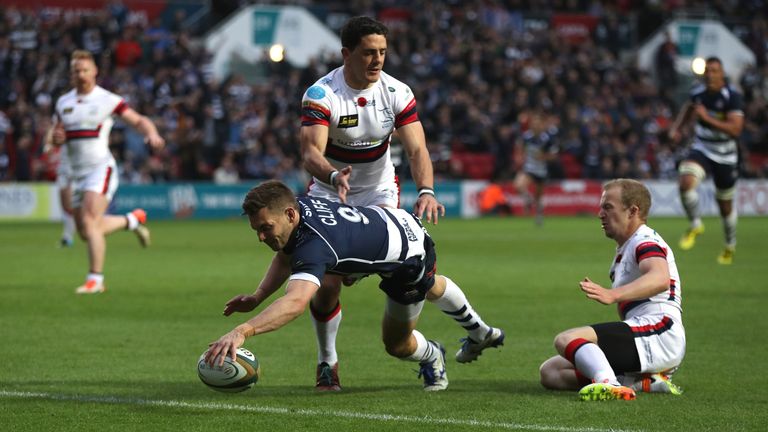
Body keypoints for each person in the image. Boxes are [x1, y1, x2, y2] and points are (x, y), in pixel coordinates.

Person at [244, 16, 498, 391]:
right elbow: (310, 152)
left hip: (380, 193)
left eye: (382, 52)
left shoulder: (397, 92)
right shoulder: (322, 94)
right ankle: (327, 362)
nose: (377, 59)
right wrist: (332, 176)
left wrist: (426, 190)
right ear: (347, 54)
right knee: (326, 281)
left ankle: (472, 330)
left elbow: (416, 148)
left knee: (408, 270)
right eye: (368, 53)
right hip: (330, 189)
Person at [205, 181, 502, 391]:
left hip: (408, 256)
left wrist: (242, 330)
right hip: (390, 221)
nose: (260, 236)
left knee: (397, 343)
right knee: (430, 285)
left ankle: (433, 353)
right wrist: (257, 296)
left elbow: (295, 303)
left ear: (289, 215)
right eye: (256, 229)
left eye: (265, 228)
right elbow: (285, 255)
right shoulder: (297, 207)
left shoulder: (314, 246)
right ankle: (481, 332)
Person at [539, 179, 685, 401]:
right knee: (551, 372)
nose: (600, 214)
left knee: (567, 339)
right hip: (643, 334)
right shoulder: (625, 250)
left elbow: (660, 277)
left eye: (608, 207)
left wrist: (612, 294)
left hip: (660, 332)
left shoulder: (644, 240)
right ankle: (642, 382)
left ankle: (609, 384)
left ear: (633, 211)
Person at [49, 50, 165, 294]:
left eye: (84, 70)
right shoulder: (64, 102)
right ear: (71, 74)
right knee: (87, 231)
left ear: (94, 72)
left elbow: (138, 120)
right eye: (76, 71)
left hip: (100, 168)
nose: (80, 74)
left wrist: (151, 133)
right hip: (76, 173)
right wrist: (56, 139)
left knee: (91, 223)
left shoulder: (107, 100)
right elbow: (55, 135)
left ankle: (95, 280)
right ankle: (132, 220)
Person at [668, 57, 744, 265]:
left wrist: (707, 118)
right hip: (702, 148)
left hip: (726, 155)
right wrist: (677, 128)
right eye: (707, 71)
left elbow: (736, 129)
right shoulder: (697, 94)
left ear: (722, 74)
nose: (710, 75)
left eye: (714, 71)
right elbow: (689, 109)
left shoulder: (732, 97)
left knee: (725, 206)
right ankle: (695, 224)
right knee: (685, 183)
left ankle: (729, 245)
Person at [513, 110, 559, 225]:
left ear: (542, 125)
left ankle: (539, 216)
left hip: (541, 171)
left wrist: (543, 156)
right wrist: (519, 156)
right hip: (529, 168)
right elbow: (520, 148)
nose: (536, 125)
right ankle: (528, 199)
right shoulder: (526, 136)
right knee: (518, 185)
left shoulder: (547, 139)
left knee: (538, 197)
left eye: (538, 123)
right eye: (534, 123)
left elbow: (554, 157)